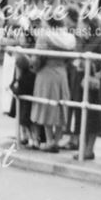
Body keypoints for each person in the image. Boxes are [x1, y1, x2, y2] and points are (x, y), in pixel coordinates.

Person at [29, 23, 74, 152]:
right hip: (62, 72)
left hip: (46, 73)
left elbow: (38, 58)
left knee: (46, 105)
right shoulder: (69, 38)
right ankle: (57, 140)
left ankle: (49, 141)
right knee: (60, 105)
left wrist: (33, 67)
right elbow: (70, 58)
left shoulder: (45, 37)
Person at [76, 17, 101, 161]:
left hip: (93, 83)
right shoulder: (84, 41)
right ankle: (83, 149)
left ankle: (89, 149)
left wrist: (91, 67)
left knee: (93, 118)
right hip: (82, 81)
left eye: (82, 26)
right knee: (82, 116)